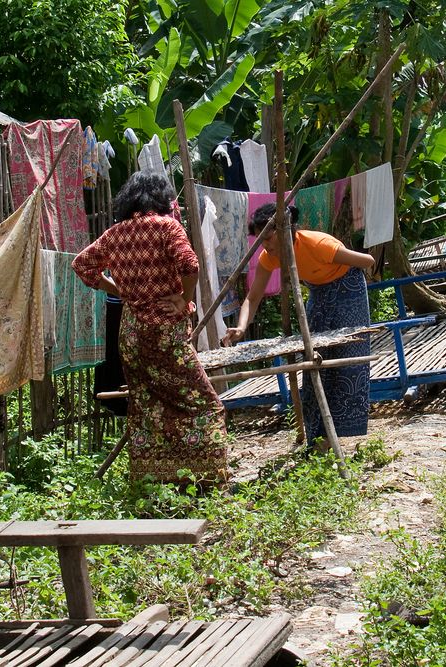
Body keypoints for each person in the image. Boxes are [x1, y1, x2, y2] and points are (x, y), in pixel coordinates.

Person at [72, 172, 228, 484]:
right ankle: (208, 478)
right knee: (204, 404)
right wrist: (183, 299)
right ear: (161, 198)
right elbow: (191, 265)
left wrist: (121, 291)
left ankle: (157, 480)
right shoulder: (167, 227)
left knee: (148, 408)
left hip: (131, 337)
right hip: (164, 334)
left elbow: (81, 264)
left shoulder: (115, 234)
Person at [223, 203, 375, 446]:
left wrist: (342, 261)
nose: (266, 245)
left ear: (286, 231)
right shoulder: (268, 257)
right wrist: (241, 328)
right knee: (315, 358)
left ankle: (344, 431)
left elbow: (367, 261)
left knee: (348, 359)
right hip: (319, 294)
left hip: (349, 290)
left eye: (269, 237)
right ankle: (318, 436)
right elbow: (252, 298)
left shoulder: (317, 244)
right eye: (262, 239)